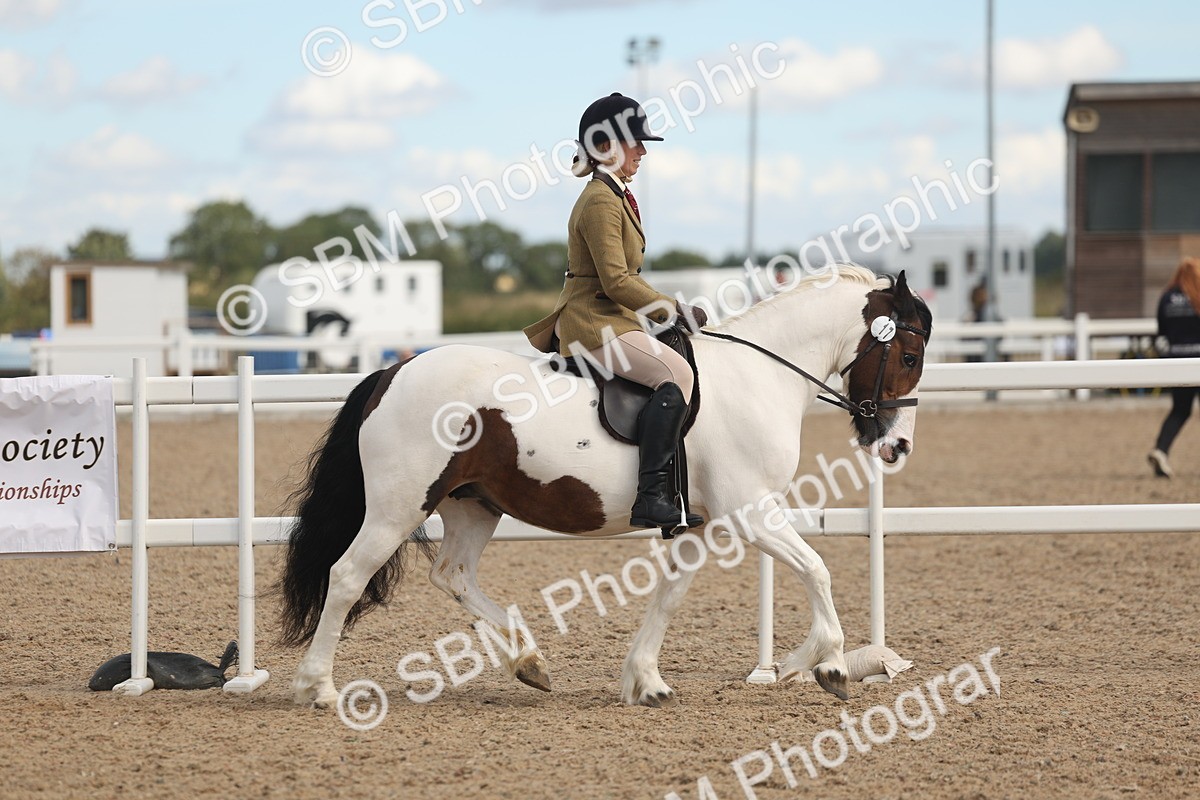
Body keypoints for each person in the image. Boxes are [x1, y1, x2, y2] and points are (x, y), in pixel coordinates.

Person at [524, 93, 708, 529]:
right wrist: (674, 309)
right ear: (606, 145)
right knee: (677, 374)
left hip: (612, 318)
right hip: (593, 323)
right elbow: (617, 281)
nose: (643, 151)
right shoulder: (600, 201)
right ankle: (651, 497)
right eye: (635, 143)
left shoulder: (614, 195)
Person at [1148, 257, 1200, 478]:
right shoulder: (1198, 296)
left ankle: (1161, 450)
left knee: (1180, 410)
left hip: (1177, 362)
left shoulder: (1167, 298)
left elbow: (1160, 336)